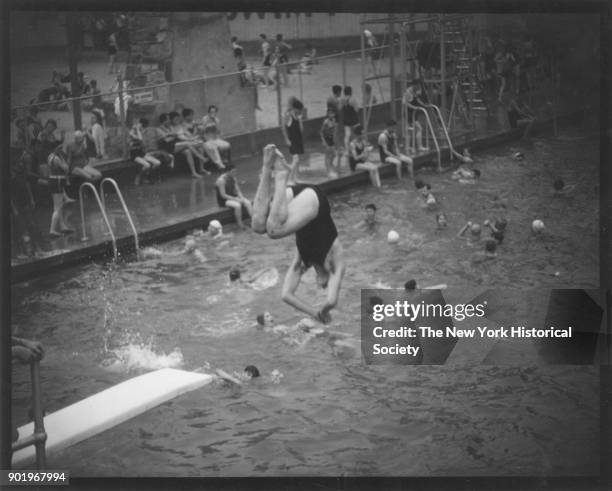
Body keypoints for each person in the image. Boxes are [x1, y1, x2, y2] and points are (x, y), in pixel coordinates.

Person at [252, 145, 345, 323]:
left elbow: (286, 295)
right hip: (315, 202)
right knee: (274, 230)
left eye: (322, 287)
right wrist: (324, 311)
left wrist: (314, 313)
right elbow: (332, 301)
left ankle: (267, 167)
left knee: (258, 225)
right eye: (326, 285)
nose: (323, 286)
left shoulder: (302, 261)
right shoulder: (335, 262)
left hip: (297, 199)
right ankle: (281, 176)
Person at [47, 144, 74, 237]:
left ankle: (62, 226)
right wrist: (64, 159)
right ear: (54, 148)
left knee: (59, 206)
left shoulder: (50, 156)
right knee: (57, 207)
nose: (61, 149)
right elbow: (66, 169)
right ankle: (52, 230)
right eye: (59, 148)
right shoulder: (57, 158)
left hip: (52, 180)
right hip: (58, 181)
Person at [215, 164, 253, 229]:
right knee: (237, 205)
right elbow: (223, 195)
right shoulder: (221, 180)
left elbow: (237, 190)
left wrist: (241, 197)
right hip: (224, 200)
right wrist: (235, 199)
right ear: (227, 172)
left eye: (235, 171)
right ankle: (240, 223)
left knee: (248, 202)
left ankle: (253, 221)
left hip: (233, 196)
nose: (235, 173)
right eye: (233, 172)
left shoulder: (233, 178)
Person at [129, 119, 161, 185]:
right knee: (147, 165)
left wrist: (139, 130)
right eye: (139, 124)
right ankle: (139, 176)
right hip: (134, 155)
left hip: (142, 153)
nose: (140, 126)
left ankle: (146, 176)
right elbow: (140, 139)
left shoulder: (141, 132)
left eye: (141, 125)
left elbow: (143, 143)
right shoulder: (131, 133)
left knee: (157, 163)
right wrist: (137, 129)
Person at [281, 97, 304, 184]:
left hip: (298, 140)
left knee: (298, 161)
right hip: (292, 140)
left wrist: (300, 120)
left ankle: (296, 178)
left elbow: (301, 130)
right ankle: (289, 179)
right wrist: (286, 139)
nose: (300, 112)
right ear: (294, 108)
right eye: (299, 110)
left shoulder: (297, 117)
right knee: (296, 159)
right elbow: (283, 127)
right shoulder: (288, 116)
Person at [402, 80, 428, 153]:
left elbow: (417, 99)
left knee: (412, 130)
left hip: (413, 113)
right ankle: (417, 147)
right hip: (409, 113)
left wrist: (424, 105)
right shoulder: (408, 92)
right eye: (418, 85)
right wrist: (414, 107)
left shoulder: (415, 91)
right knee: (416, 129)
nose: (419, 87)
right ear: (414, 85)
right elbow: (405, 103)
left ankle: (409, 147)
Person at [327, 85, 344, 164]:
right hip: (335, 119)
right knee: (335, 135)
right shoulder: (336, 100)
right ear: (338, 92)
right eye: (340, 92)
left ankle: (335, 148)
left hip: (329, 118)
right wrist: (341, 104)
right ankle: (337, 149)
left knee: (333, 134)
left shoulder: (329, 98)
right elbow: (338, 109)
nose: (341, 93)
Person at [320, 108, 338, 177]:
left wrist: (335, 140)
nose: (332, 115)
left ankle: (330, 165)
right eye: (330, 113)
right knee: (327, 156)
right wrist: (323, 141)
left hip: (331, 139)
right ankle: (328, 171)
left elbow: (334, 132)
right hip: (326, 139)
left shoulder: (334, 120)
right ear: (328, 114)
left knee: (334, 154)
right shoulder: (326, 122)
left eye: (333, 113)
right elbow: (321, 132)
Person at [341, 86, 360, 153]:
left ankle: (347, 149)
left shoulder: (342, 100)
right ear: (350, 92)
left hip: (346, 120)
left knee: (347, 135)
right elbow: (357, 109)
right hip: (354, 120)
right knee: (357, 134)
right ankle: (357, 148)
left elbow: (341, 109)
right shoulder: (353, 100)